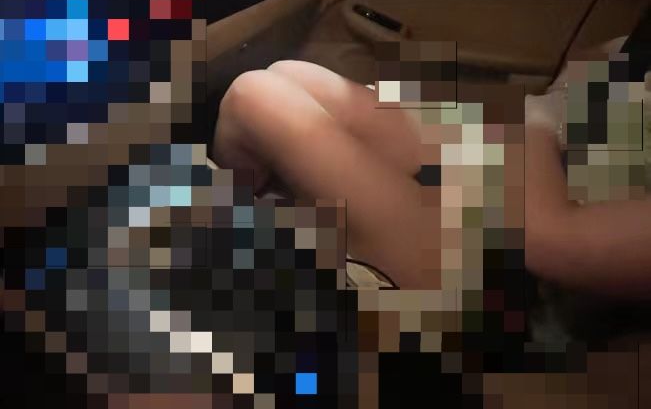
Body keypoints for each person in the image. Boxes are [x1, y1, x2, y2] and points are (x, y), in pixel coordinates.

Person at [213, 32, 651, 298]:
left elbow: (556, 245)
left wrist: (536, 118)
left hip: (509, 276)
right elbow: (602, 58)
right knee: (293, 75)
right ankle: (246, 220)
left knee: (257, 98)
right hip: (534, 173)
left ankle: (219, 246)